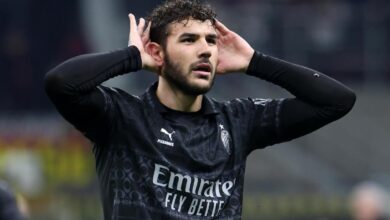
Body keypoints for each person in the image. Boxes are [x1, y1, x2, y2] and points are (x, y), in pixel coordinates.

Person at [44, 0, 356, 219]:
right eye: (189, 40)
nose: (205, 48)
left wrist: (256, 62)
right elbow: (61, 83)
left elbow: (336, 100)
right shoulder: (122, 117)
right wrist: (131, 58)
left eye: (210, 40)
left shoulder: (239, 121)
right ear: (157, 51)